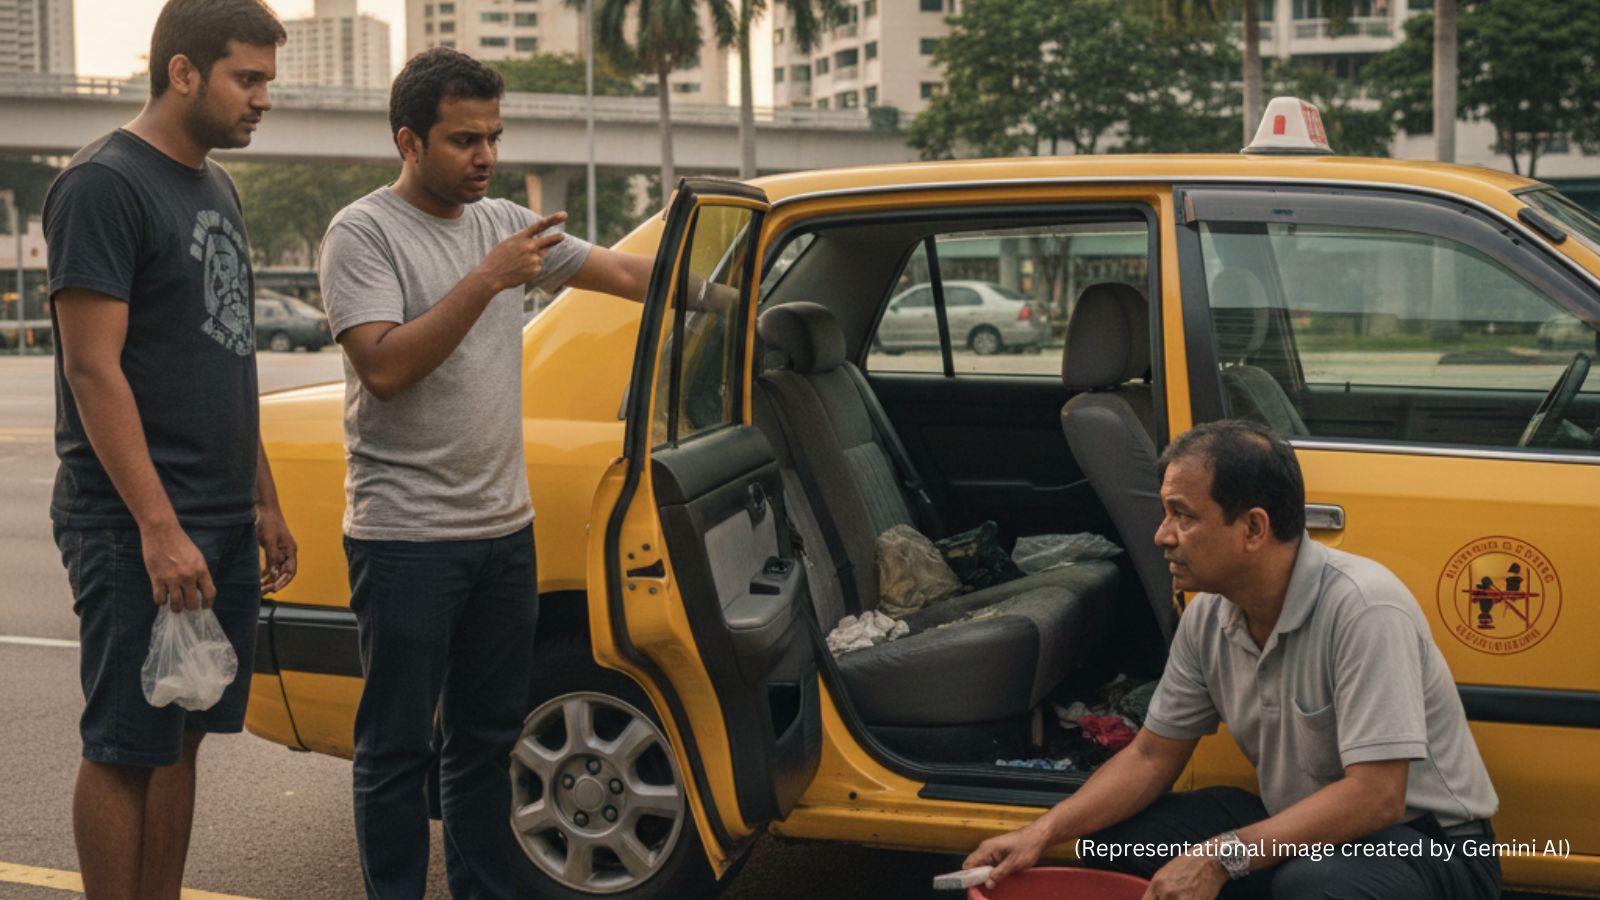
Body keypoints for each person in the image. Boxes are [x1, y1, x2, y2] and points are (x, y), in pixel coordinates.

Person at [317, 47, 659, 899]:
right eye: (465, 140)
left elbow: (623, 273)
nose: (486, 157)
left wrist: (738, 290)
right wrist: (488, 277)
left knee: (484, 743)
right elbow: (387, 367)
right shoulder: (362, 233)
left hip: (504, 534)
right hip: (406, 540)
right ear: (409, 140)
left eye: (494, 137)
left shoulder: (503, 221)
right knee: (397, 751)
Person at [964, 420, 1501, 900]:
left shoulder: (1363, 607)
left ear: (1253, 529)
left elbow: (1377, 796)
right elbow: (1152, 756)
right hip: (1299, 827)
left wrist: (1223, 855)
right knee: (1111, 846)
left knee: (1317, 885)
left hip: (1427, 844)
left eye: (1183, 515)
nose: (1162, 535)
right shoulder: (1209, 616)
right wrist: (1041, 832)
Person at [42, 2, 296, 897]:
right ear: (182, 72)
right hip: (132, 525)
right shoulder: (103, 184)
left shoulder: (216, 185)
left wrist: (260, 497)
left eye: (268, 79)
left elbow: (226, 348)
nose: (264, 98)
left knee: (184, 735)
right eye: (248, 78)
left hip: (220, 516)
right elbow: (91, 369)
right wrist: (157, 526)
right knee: (124, 743)